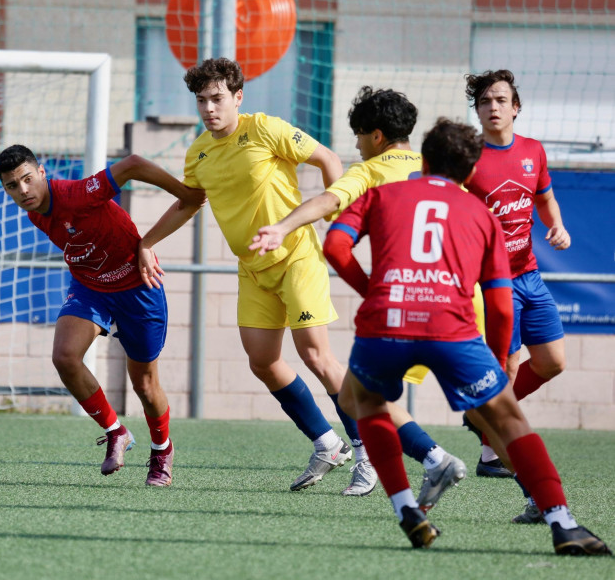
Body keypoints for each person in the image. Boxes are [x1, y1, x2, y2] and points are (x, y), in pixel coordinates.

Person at [323, 118, 610, 556]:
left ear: (423, 159)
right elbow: (498, 304)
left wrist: (374, 291)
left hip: (386, 323)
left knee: (363, 402)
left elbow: (335, 247)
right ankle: (562, 522)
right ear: (471, 172)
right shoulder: (482, 214)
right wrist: (497, 361)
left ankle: (405, 509)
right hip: (452, 330)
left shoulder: (380, 194)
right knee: (508, 418)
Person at [155, 57, 375, 495]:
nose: (209, 108)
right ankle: (327, 443)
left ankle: (367, 451)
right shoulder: (198, 151)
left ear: (238, 97)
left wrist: (341, 221)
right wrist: (146, 242)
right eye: (202, 100)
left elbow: (329, 159)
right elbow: (188, 202)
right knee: (262, 360)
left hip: (296, 256)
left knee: (316, 356)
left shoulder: (265, 129)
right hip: (253, 270)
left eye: (217, 98)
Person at [250, 87, 468, 509]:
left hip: (401, 306)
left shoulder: (369, 171)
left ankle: (426, 465)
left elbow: (329, 212)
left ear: (378, 137)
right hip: (457, 306)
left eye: (359, 134)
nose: (355, 143)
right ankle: (550, 507)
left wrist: (283, 226)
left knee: (360, 397)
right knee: (495, 413)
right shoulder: (436, 171)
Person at [0, 144, 205, 486]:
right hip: (91, 288)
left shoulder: (76, 194)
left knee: (145, 385)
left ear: (42, 173)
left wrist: (184, 194)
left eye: (27, 180)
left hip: (138, 286)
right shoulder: (33, 212)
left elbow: (133, 163)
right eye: (12, 186)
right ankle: (115, 431)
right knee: (65, 356)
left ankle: (162, 450)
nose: (23, 191)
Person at [463, 70, 573, 517]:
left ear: (515, 106)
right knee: (505, 368)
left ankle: (484, 427)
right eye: (485, 100)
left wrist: (556, 226)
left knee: (552, 362)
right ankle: (497, 452)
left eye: (500, 99)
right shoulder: (467, 157)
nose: (493, 106)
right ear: (478, 110)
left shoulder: (533, 151)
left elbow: (544, 199)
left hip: (530, 276)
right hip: (493, 284)